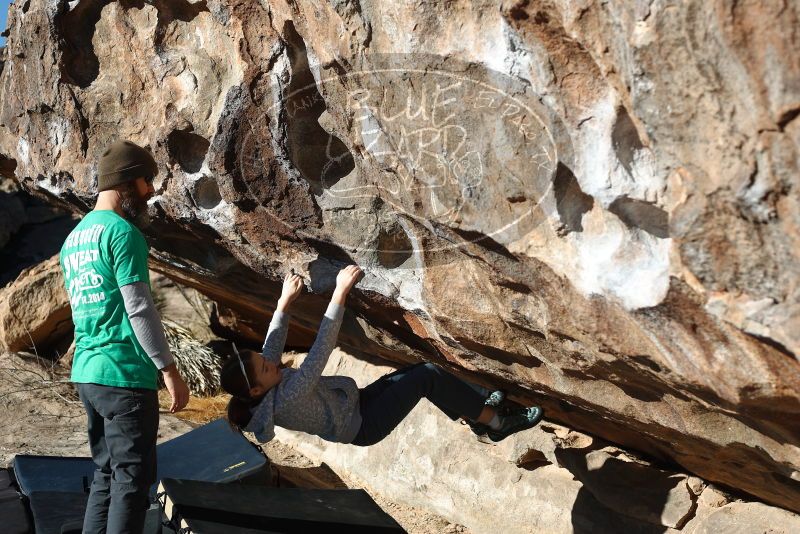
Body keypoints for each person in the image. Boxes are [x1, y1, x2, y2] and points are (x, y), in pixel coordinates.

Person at [221, 265, 543, 447]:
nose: (271, 361)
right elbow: (320, 350)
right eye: (265, 368)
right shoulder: (287, 397)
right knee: (427, 377)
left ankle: (477, 408)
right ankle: (496, 423)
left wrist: (284, 302)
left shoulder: (262, 386)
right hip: (363, 424)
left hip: (355, 402)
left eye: (263, 360)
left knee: (421, 371)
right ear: (256, 390)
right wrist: (340, 292)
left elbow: (272, 345)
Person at [59, 140, 190, 534]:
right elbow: (139, 308)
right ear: (128, 182)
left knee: (106, 474)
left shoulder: (73, 239)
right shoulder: (122, 233)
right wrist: (169, 370)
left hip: (88, 374)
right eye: (147, 181)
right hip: (124, 376)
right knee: (132, 483)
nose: (150, 191)